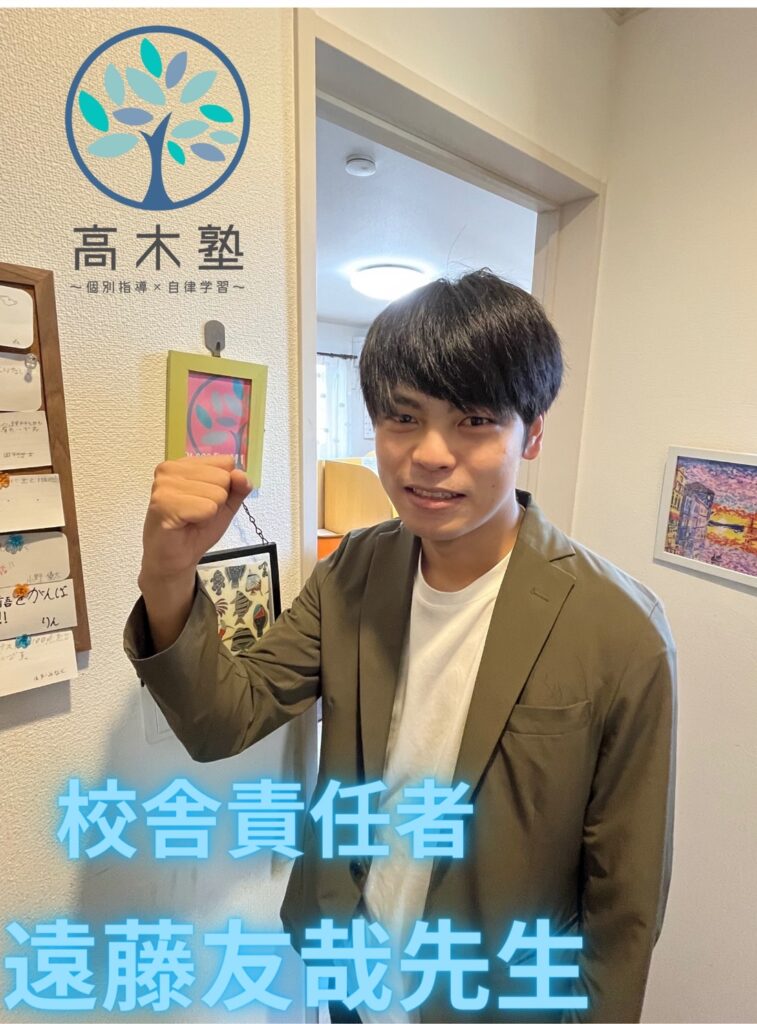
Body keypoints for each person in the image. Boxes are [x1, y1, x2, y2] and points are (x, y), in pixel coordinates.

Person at [125, 270, 676, 1023]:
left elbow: (624, 908)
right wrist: (167, 573)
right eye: (403, 417)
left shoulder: (620, 630)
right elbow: (225, 718)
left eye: (475, 420)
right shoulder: (354, 569)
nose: (430, 454)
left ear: (533, 432)